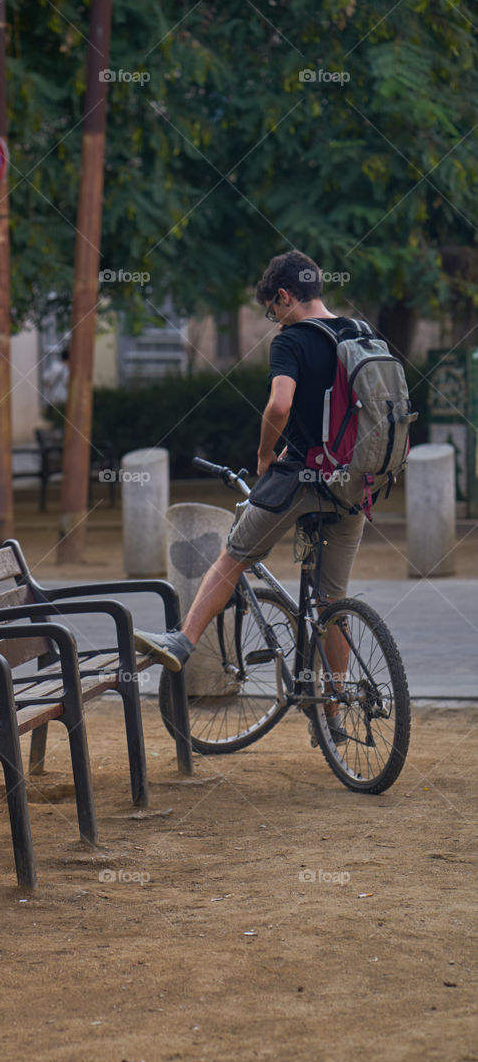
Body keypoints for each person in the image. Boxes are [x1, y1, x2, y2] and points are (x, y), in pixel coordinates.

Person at [134, 250, 367, 745]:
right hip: (357, 483)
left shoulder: (292, 339)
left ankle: (182, 640)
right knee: (333, 603)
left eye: (270, 308)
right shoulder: (361, 332)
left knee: (234, 555)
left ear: (283, 296)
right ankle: (335, 713)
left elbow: (280, 403)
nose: (272, 317)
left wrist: (265, 455)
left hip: (305, 475)